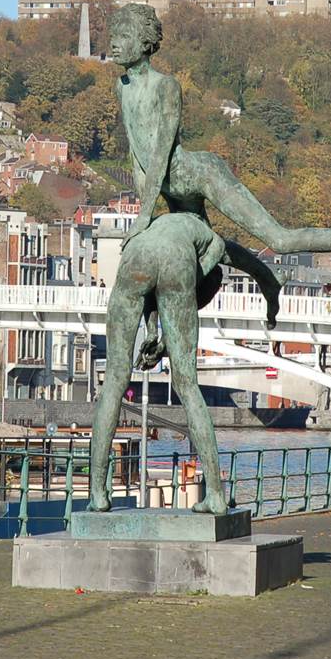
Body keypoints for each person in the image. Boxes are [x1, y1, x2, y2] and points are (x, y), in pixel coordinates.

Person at [108, 3, 331, 324]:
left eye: (124, 35)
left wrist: (142, 218)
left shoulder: (166, 86)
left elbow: (162, 153)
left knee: (280, 240)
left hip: (197, 175)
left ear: (145, 41)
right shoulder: (122, 89)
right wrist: (146, 212)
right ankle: (267, 279)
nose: (114, 42)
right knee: (205, 250)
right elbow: (138, 156)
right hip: (165, 185)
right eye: (113, 35)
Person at [88, 211, 230, 514]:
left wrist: (154, 332)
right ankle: (216, 494)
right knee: (188, 386)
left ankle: (98, 493)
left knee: (114, 382)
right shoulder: (206, 238)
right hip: (178, 265)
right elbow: (211, 254)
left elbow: (153, 287)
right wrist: (195, 278)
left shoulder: (165, 224)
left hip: (136, 260)